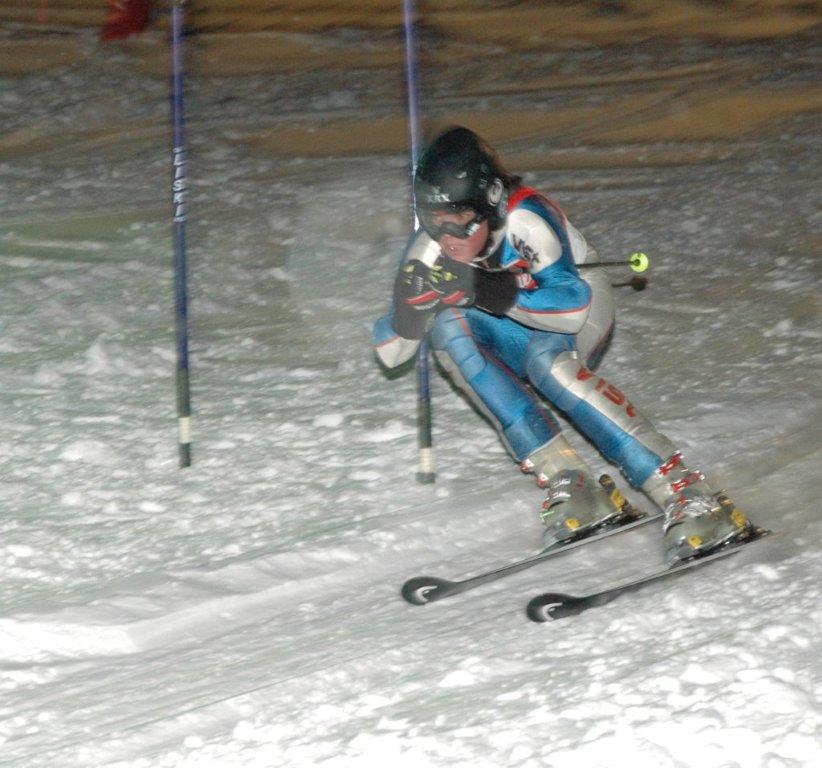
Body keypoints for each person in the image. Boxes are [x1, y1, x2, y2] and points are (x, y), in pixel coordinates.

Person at [373, 126, 752, 564]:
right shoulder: (430, 247)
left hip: (578, 309)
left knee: (547, 363)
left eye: (457, 221)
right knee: (448, 329)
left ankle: (687, 491)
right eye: (433, 220)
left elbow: (570, 308)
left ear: (490, 202)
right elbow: (391, 352)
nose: (446, 237)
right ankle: (573, 482)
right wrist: (410, 313)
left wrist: (480, 288)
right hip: (517, 321)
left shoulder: (526, 218)